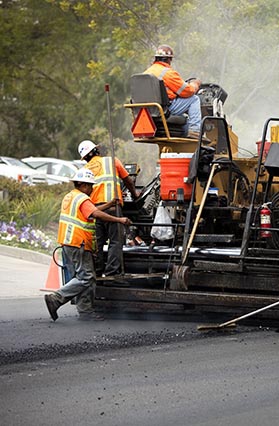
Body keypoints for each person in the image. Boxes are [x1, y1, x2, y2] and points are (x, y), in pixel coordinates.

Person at [44, 169, 132, 321]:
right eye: (90, 186)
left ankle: (86, 312)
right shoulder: (82, 198)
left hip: (69, 242)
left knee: (86, 277)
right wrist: (119, 220)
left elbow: (92, 210)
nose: (92, 189)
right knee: (86, 277)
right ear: (83, 185)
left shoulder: (71, 196)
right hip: (78, 242)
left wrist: (110, 204)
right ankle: (56, 298)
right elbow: (95, 214)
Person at [78, 140, 139, 276]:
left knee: (98, 243)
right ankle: (112, 273)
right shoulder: (113, 161)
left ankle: (98, 272)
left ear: (85, 158)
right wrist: (135, 195)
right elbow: (128, 181)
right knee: (115, 241)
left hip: (96, 211)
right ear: (97, 151)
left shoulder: (84, 171)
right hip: (113, 208)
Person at [144, 44, 202, 139]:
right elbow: (188, 91)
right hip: (164, 110)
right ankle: (195, 131)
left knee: (186, 119)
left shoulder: (147, 72)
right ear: (169, 59)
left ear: (156, 58)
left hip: (149, 111)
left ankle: (186, 132)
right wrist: (195, 84)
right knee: (194, 99)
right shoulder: (167, 73)